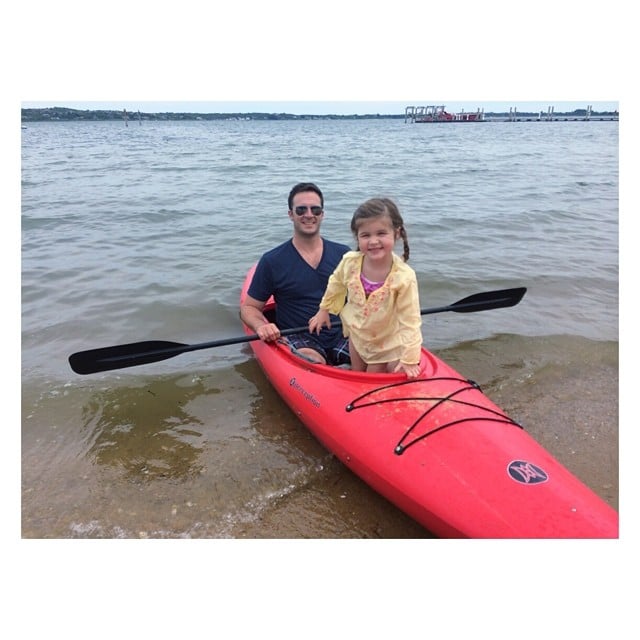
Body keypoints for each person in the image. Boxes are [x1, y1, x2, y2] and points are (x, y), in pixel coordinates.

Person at [240, 182, 351, 365]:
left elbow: (365, 296)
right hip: (300, 338)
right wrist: (262, 326)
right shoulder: (272, 261)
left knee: (371, 358)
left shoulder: (344, 255)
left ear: (322, 215)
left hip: (343, 333)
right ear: (291, 215)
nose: (309, 215)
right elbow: (249, 308)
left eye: (315, 210)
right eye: (301, 210)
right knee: (313, 361)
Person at [309, 197, 422, 377]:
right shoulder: (350, 262)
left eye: (381, 233)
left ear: (397, 233)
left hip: (385, 342)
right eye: (365, 235)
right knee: (357, 371)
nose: (373, 241)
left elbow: (411, 320)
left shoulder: (404, 277)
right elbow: (336, 283)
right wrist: (324, 310)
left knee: (370, 377)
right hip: (357, 334)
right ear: (357, 237)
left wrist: (410, 359)